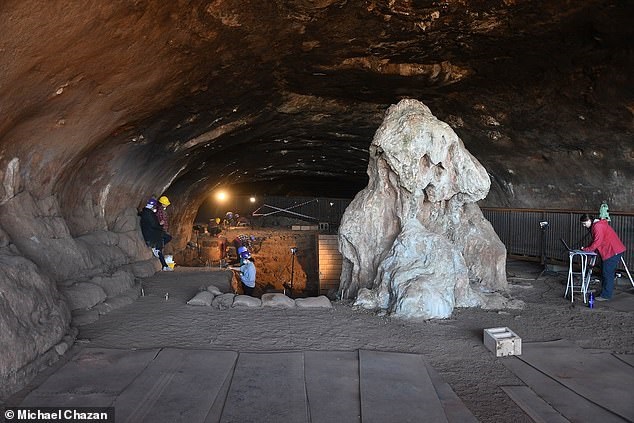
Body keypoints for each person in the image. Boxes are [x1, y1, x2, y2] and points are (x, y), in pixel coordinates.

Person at [580, 213, 626, 301]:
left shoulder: (598, 226)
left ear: (589, 220)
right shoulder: (597, 225)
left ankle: (606, 295)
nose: (584, 226)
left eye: (584, 223)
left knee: (607, 273)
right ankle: (604, 292)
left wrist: (587, 249)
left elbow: (597, 242)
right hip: (611, 250)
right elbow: (596, 240)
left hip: (612, 251)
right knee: (605, 272)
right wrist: (587, 248)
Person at [139, 198, 172, 271]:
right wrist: (160, 225)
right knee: (159, 247)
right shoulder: (149, 213)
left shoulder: (147, 212)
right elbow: (154, 224)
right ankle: (164, 266)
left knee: (163, 242)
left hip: (153, 232)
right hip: (152, 234)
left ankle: (164, 265)